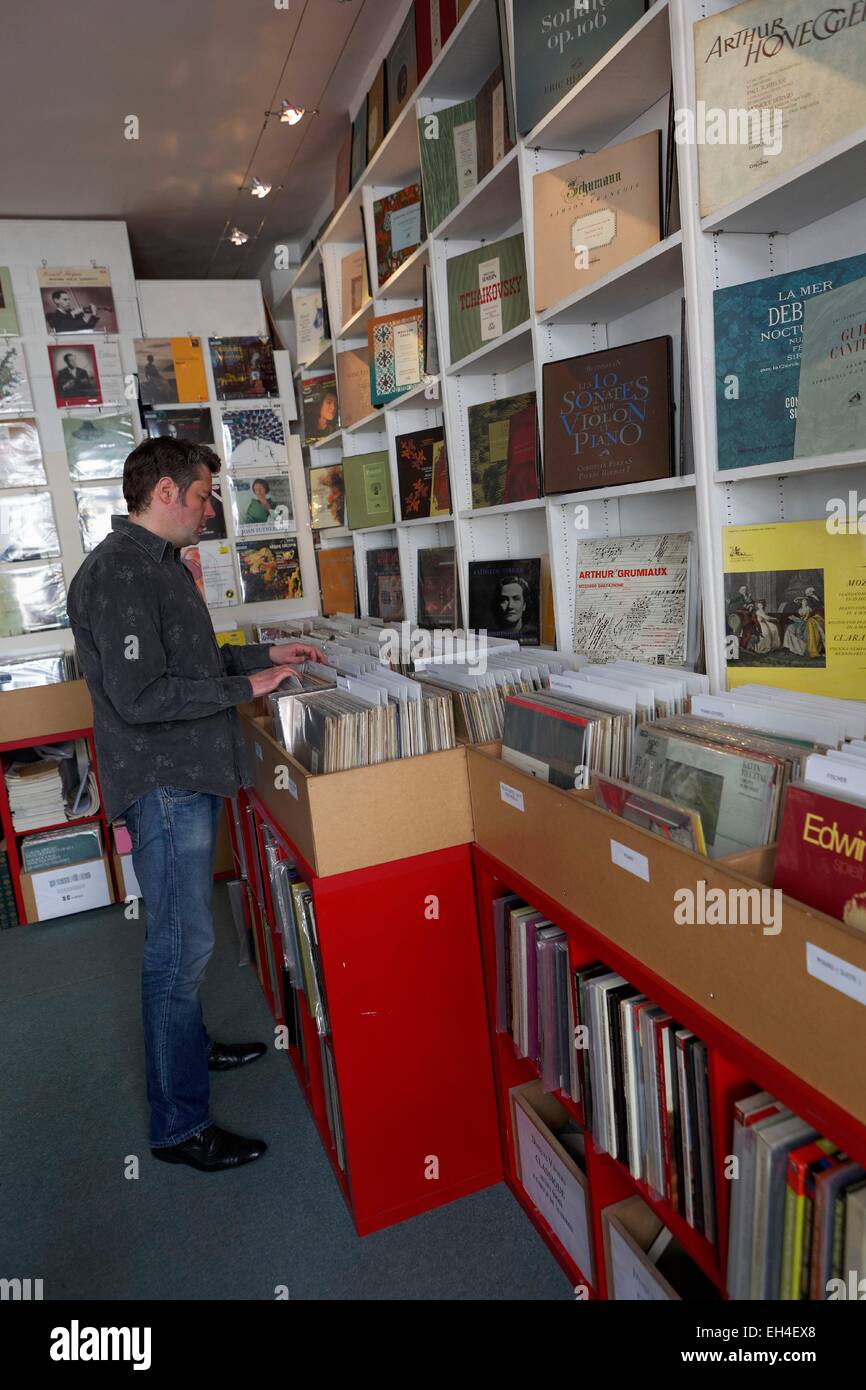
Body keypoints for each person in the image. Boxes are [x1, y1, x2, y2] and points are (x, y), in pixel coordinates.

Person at [67, 438, 325, 1173]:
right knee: (178, 952)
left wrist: (263, 659)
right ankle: (179, 1127)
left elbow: (190, 665)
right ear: (169, 492)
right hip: (164, 782)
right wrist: (247, 690)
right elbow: (142, 697)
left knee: (185, 941)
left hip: (186, 775)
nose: (212, 508)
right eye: (206, 494)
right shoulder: (119, 572)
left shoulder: (157, 564)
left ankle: (190, 1050)